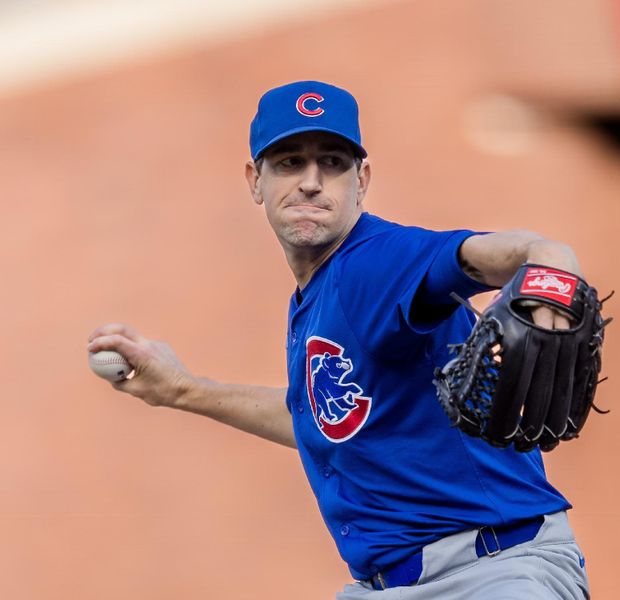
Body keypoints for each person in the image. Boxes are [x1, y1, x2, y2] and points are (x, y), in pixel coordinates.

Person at [87, 80, 591, 599]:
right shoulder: (318, 293)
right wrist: (183, 390)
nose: (311, 181)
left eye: (332, 163)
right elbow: (323, 418)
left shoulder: (375, 263)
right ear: (254, 181)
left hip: (490, 575)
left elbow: (505, 253)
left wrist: (550, 265)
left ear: (362, 180)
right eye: (288, 163)